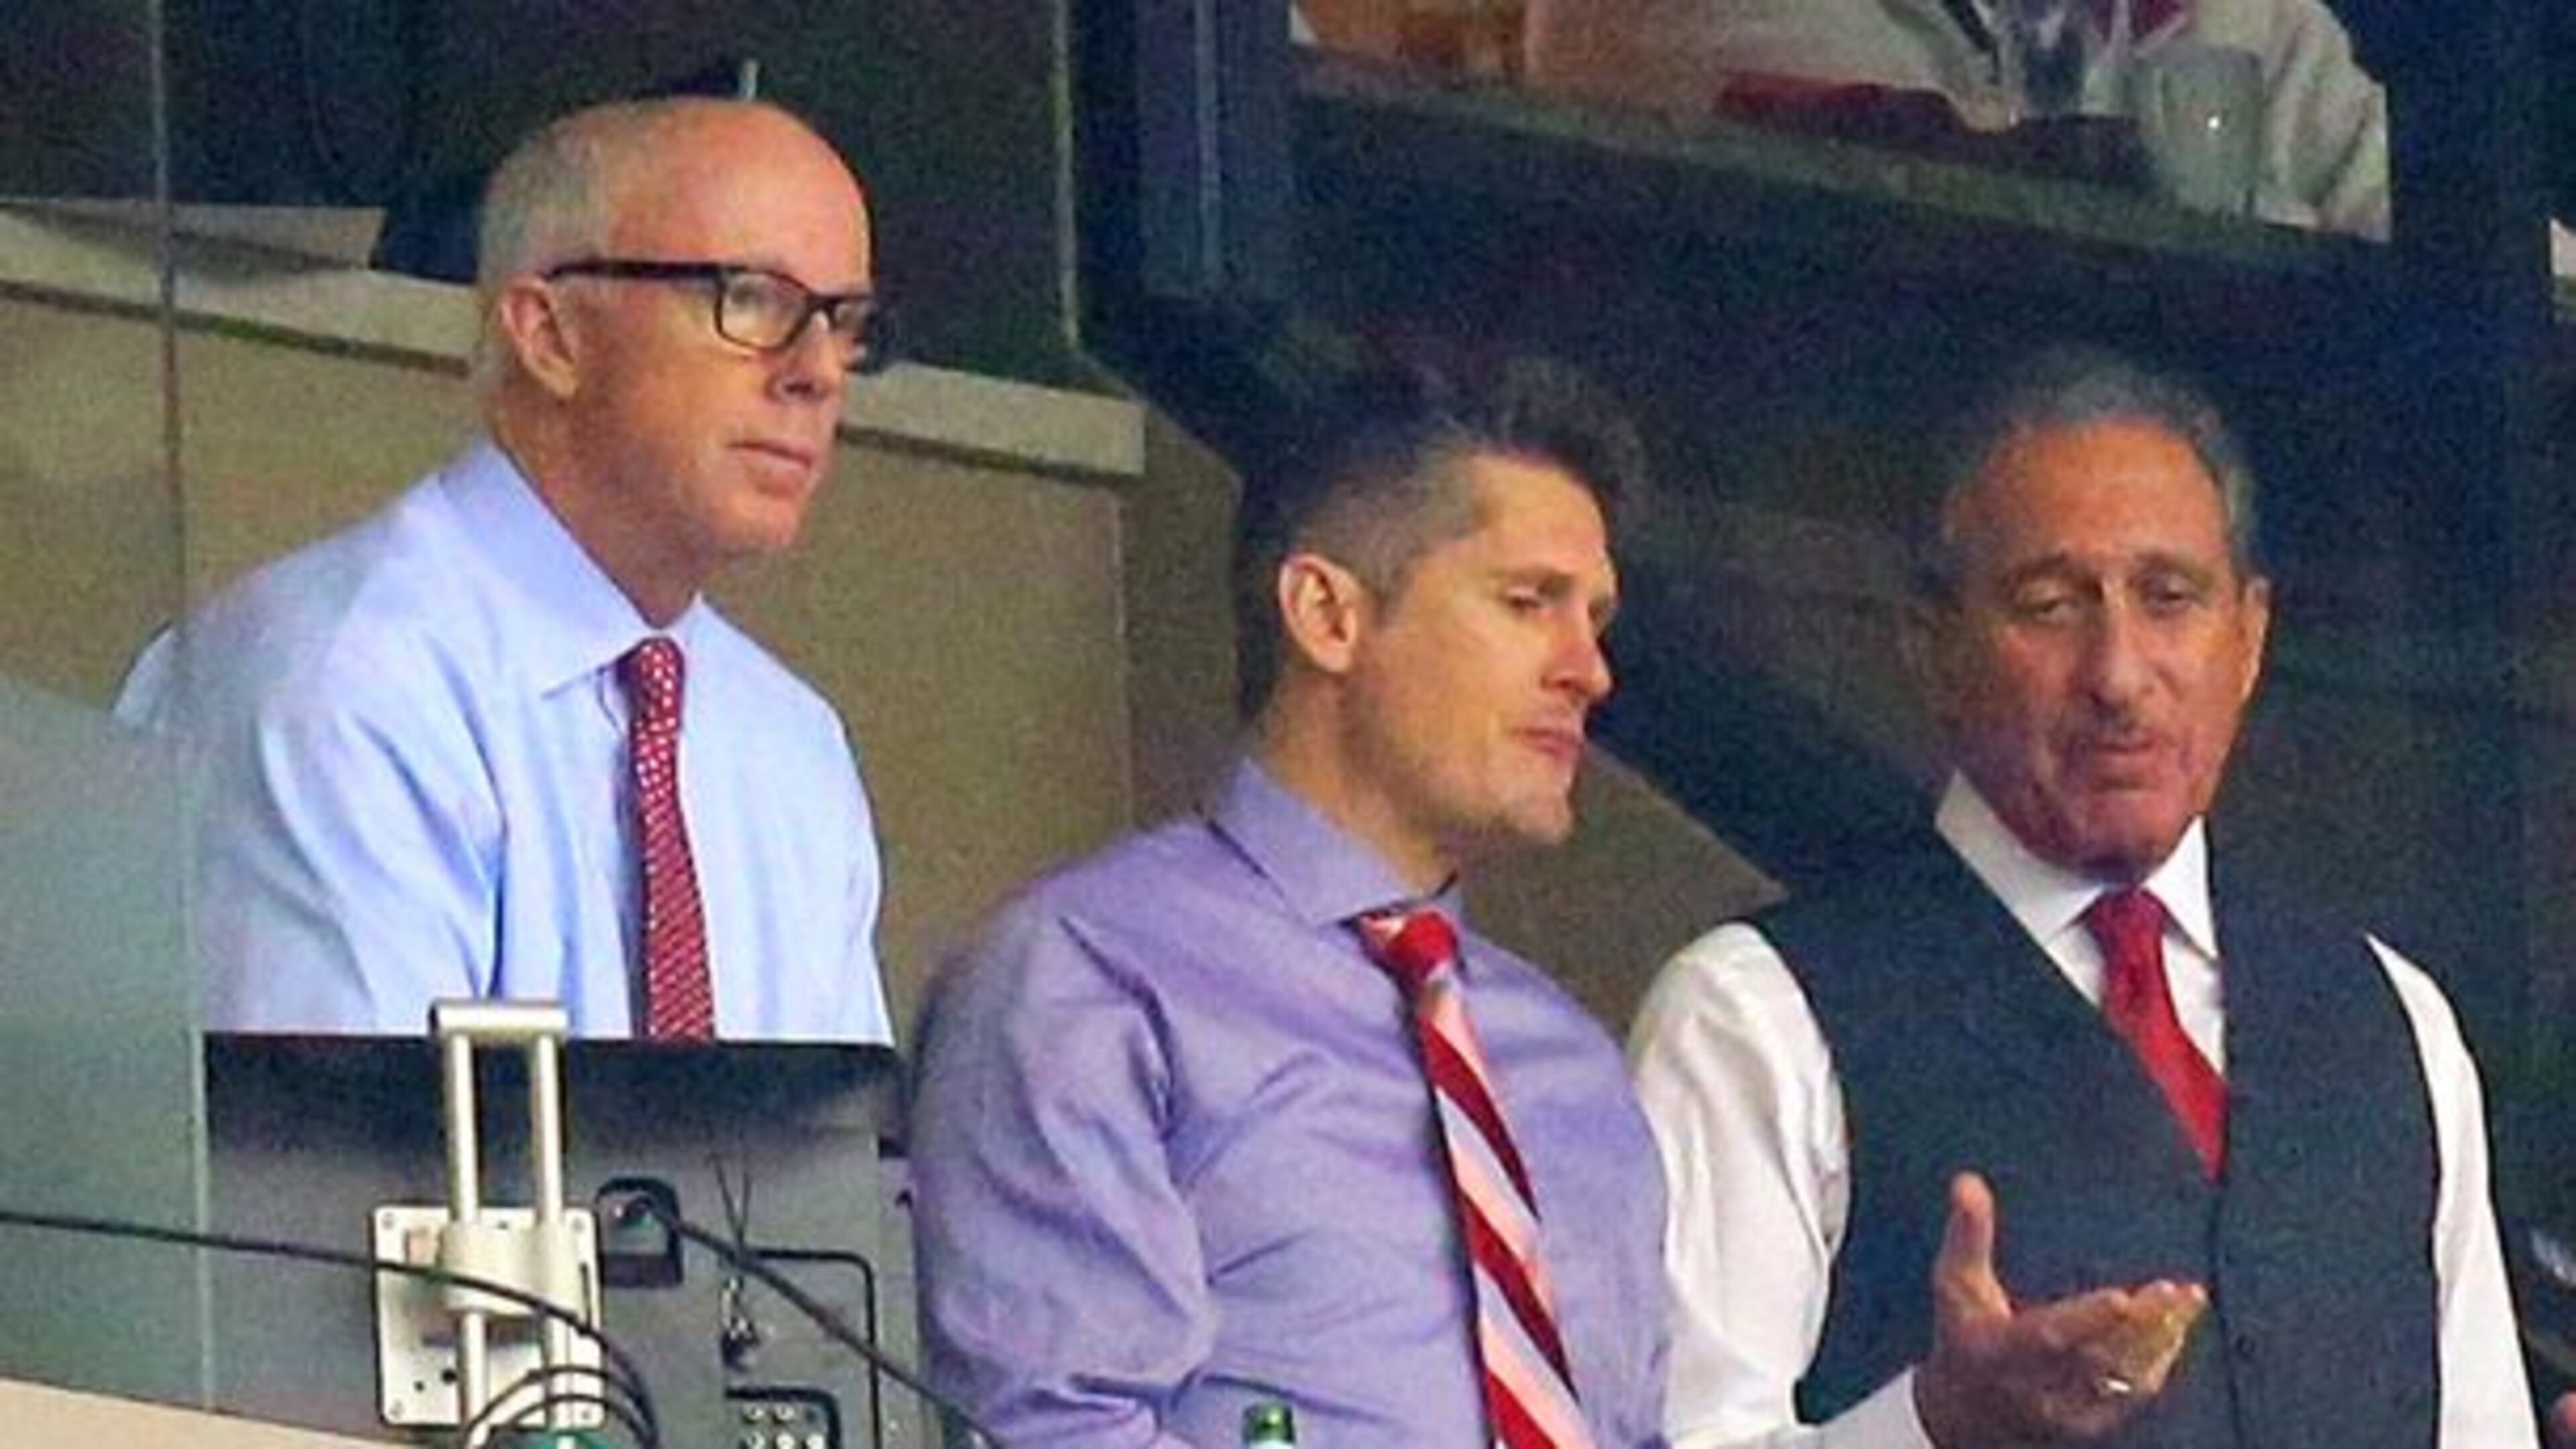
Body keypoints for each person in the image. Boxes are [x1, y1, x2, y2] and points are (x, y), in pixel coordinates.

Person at [1627, 345, 2536, 1446]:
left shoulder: (2394, 1020)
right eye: (2051, 605)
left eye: (2171, 599)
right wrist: (1931, 1425)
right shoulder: (1754, 1018)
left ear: (2249, 638)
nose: (2117, 672)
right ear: (1931, 643)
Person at [910, 359, 1670, 1448]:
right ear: (1326, 614)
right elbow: (1055, 1430)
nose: (1587, 669)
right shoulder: (1090, 978)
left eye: (1594, 619)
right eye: (1527, 603)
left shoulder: (1576, 1069)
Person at [115, 98, 894, 1041]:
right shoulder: (345, 682)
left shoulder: (792, 748)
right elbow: (335, 1169)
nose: (817, 373)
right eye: (752, 300)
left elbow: (826, 1177)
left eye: (845, 324)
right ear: (549, 334)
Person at [1524, 0, 2395, 239]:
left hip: (2181, 599)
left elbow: (2505, 268)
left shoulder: (2249, 20)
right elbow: (1949, 213)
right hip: (1788, 590)